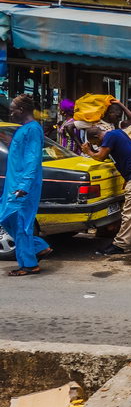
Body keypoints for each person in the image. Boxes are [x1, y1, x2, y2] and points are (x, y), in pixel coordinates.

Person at [82, 125, 131, 256]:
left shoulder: (110, 136)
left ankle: (120, 244)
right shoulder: (117, 133)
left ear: (97, 137)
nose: (98, 146)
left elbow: (100, 156)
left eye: (96, 143)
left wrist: (88, 151)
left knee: (130, 213)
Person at [0, 95, 52, 276]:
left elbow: (32, 159)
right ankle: (38, 247)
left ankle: (29, 265)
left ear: (21, 110)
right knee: (7, 218)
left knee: (21, 222)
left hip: (22, 186)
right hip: (14, 184)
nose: (11, 112)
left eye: (13, 109)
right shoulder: (25, 129)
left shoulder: (33, 129)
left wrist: (24, 185)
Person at [64, 98, 131, 148]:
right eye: (117, 116)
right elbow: (68, 127)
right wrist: (80, 145)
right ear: (110, 113)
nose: (119, 118)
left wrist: (120, 104)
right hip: (90, 157)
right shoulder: (94, 121)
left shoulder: (115, 124)